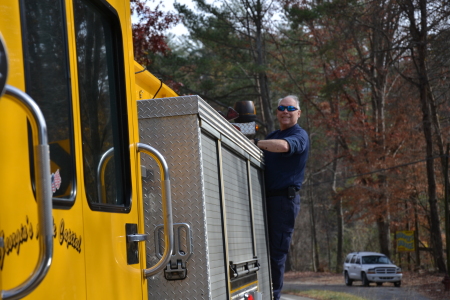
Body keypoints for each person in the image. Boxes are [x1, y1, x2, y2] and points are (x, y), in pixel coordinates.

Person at [253, 95, 309, 300]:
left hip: (284, 202)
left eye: (290, 108)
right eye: (281, 107)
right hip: (262, 199)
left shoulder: (299, 135)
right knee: (260, 250)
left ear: (298, 113)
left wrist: (258, 142)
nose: (285, 111)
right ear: (277, 111)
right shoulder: (273, 135)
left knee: (276, 253)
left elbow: (285, 147)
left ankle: (274, 296)